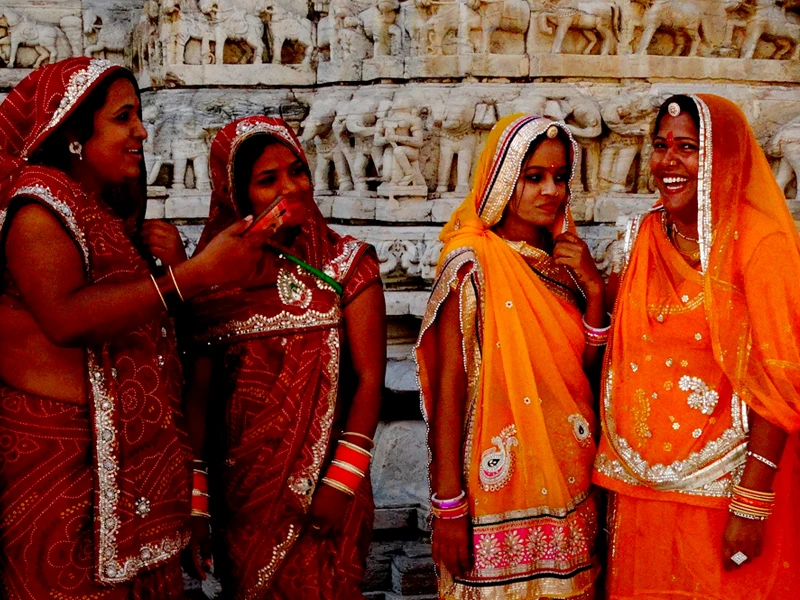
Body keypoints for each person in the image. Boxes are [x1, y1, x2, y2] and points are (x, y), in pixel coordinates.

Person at [0, 58, 268, 599]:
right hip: (67, 477)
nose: (141, 132)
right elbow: (65, 317)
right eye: (124, 118)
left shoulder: (88, 206)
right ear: (74, 131)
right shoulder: (37, 207)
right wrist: (194, 276)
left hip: (125, 476)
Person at [593, 94, 800, 598]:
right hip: (638, 490)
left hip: (723, 492)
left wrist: (751, 502)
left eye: (687, 147)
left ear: (723, 157)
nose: (668, 162)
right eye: (661, 146)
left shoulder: (760, 244)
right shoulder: (645, 235)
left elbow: (781, 378)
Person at [182, 116, 386, 598]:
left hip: (330, 487)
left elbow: (371, 378)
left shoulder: (348, 265)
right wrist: (197, 503)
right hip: (243, 498)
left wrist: (342, 481)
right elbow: (199, 397)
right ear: (236, 195)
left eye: (297, 171)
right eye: (267, 180)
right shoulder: (212, 278)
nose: (291, 188)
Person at [415, 114, 605, 599]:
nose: (552, 191)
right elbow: (450, 392)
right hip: (493, 492)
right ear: (502, 179)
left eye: (561, 178)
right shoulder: (472, 263)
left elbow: (589, 377)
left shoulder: (565, 266)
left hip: (571, 479)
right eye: (534, 177)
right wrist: (448, 506)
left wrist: (596, 293)